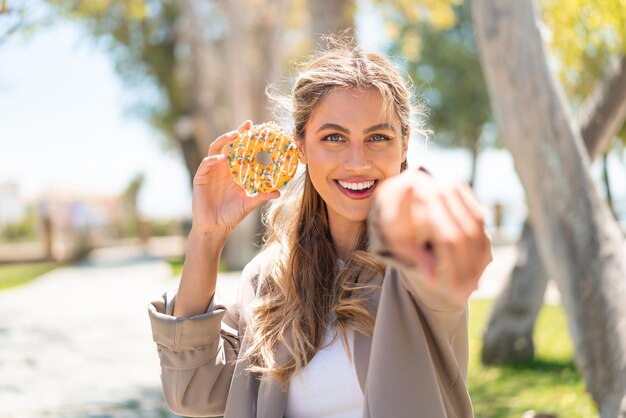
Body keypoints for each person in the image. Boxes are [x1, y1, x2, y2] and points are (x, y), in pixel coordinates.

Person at [148, 41, 492, 418]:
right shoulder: (268, 280)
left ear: (404, 143)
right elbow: (192, 393)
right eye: (334, 137)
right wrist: (207, 236)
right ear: (300, 146)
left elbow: (451, 272)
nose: (357, 161)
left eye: (378, 137)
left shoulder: (411, 266)